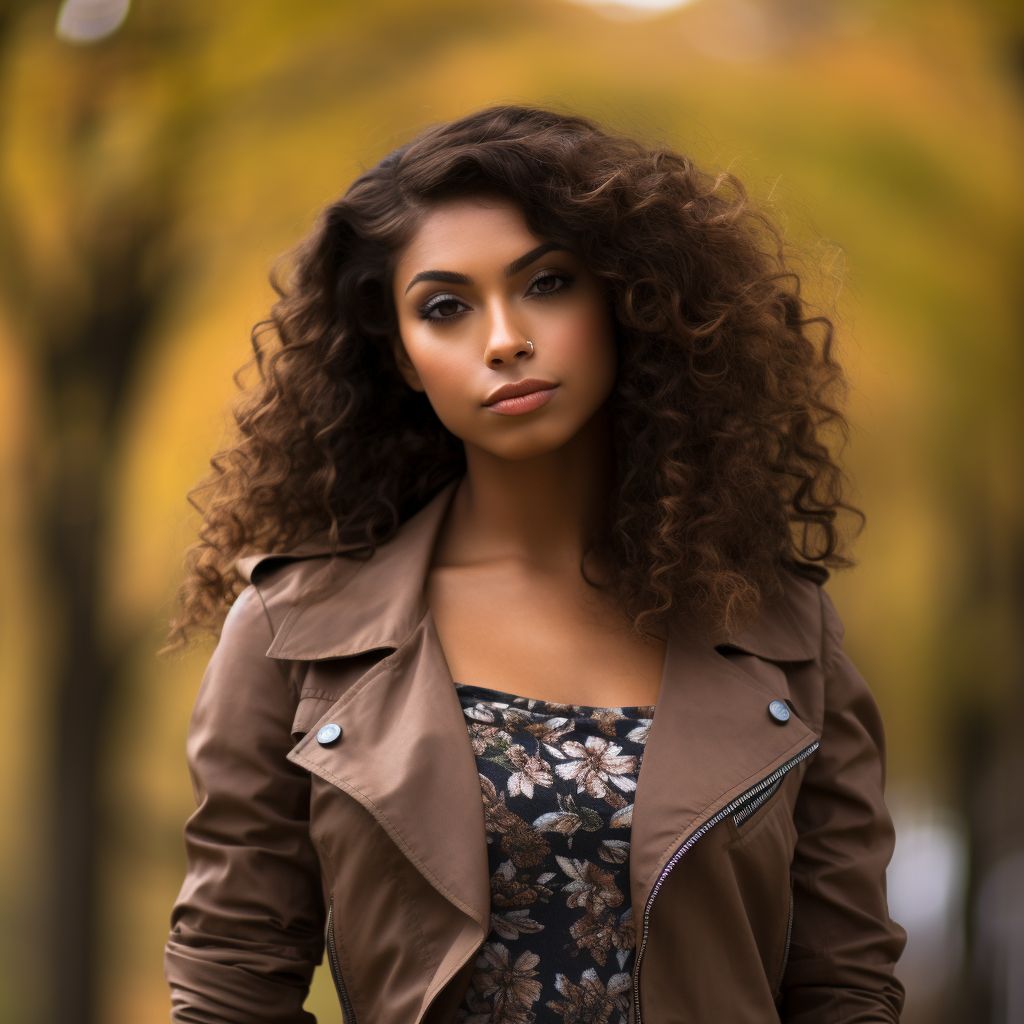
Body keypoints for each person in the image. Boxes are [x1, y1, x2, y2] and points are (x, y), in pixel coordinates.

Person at [164, 105, 906, 1024]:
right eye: (445, 307)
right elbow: (230, 986)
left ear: (626, 300)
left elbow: (846, 988)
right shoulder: (294, 635)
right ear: (403, 357)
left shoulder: (783, 635)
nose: (505, 337)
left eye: (548, 284)